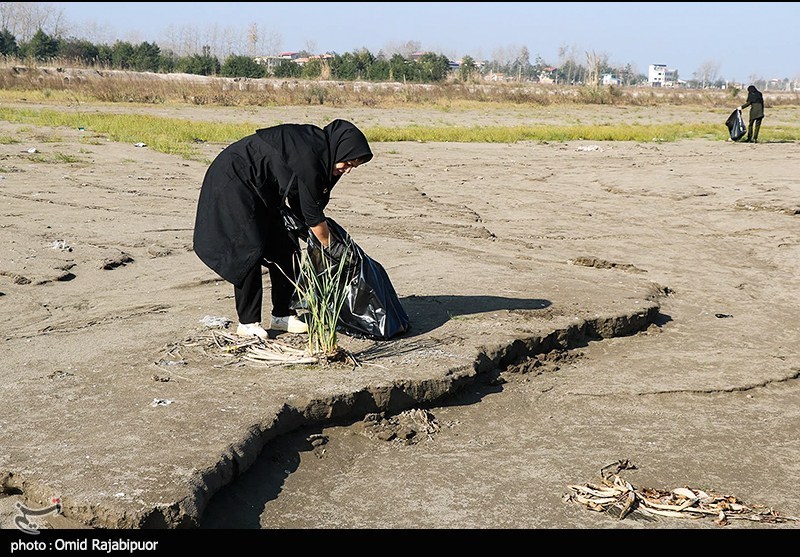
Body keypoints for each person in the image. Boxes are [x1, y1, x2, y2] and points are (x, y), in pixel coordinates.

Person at [192, 120, 373, 340]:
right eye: (347, 163)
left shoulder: (323, 154)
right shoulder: (311, 155)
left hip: (263, 188)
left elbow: (303, 201)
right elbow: (312, 215)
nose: (348, 170)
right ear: (339, 150)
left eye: (353, 166)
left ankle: (283, 314)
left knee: (286, 245)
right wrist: (332, 249)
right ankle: (248, 323)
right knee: (247, 249)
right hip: (234, 180)